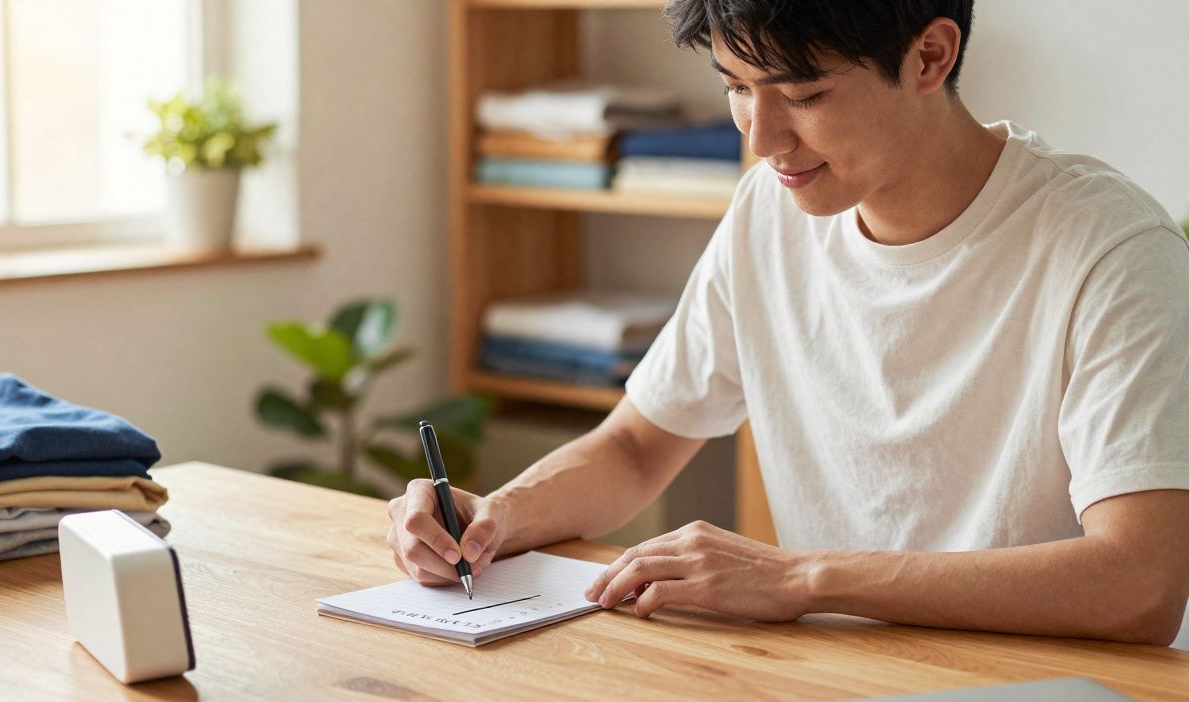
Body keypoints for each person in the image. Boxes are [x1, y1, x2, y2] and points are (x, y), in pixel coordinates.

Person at [387, 0, 1189, 645]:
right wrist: (498, 517)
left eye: (802, 94)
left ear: (930, 57)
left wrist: (800, 579)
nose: (761, 137)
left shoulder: (1109, 249)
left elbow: (1139, 583)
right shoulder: (769, 214)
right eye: (735, 86)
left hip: (1041, 699)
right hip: (824, 687)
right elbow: (637, 446)